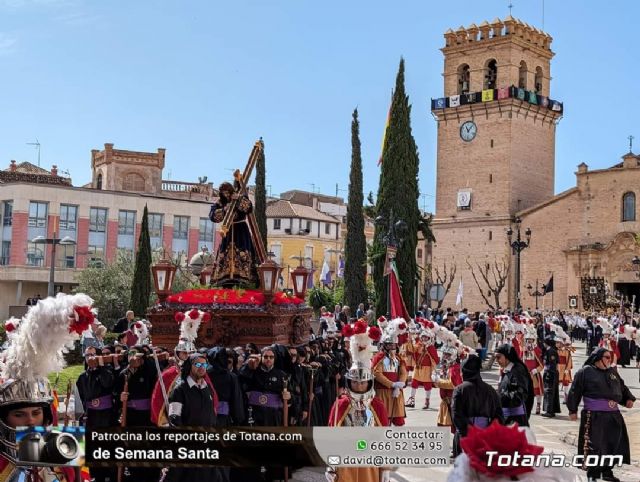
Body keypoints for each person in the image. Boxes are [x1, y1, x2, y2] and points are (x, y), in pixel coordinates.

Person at [326, 324, 391, 482]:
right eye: (355, 382)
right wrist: (331, 465)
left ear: (369, 383)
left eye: (363, 383)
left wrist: (385, 470)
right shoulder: (340, 404)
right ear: (349, 382)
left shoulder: (377, 404)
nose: (359, 386)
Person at [567, 347, 636, 482]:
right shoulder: (585, 372)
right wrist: (572, 410)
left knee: (613, 444)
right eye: (607, 357)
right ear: (598, 358)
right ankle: (592, 472)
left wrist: (627, 399)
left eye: (610, 357)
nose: (610, 359)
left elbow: (621, 387)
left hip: (613, 415)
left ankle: (607, 471)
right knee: (595, 445)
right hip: (594, 415)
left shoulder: (612, 372)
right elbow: (574, 390)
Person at [165, 353, 221, 482]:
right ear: (190, 366)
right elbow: (174, 419)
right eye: (198, 364)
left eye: (204, 364)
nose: (202, 367)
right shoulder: (179, 390)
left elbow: (211, 415)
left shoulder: (208, 389)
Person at [76, 345, 116, 482]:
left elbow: (107, 383)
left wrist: (101, 366)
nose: (90, 358)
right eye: (87, 355)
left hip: (106, 416)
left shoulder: (107, 371)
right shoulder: (82, 377)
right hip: (91, 416)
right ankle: (95, 476)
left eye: (93, 355)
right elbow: (81, 398)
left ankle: (109, 476)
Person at [451, 354, 503, 457]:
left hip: (466, 436)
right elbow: (499, 416)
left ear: (464, 372)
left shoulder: (460, 390)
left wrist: (469, 430)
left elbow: (456, 415)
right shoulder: (491, 390)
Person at [209, 181, 257, 287]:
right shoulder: (220, 203)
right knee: (225, 255)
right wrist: (225, 209)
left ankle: (244, 276)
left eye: (227, 192)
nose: (226, 195)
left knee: (243, 254)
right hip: (228, 230)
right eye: (223, 193)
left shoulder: (239, 196)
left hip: (241, 231)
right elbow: (212, 216)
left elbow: (249, 208)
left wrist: (239, 199)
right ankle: (225, 277)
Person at [372, 319, 408, 426]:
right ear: (384, 345)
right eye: (389, 345)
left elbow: (403, 372)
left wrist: (399, 385)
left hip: (396, 393)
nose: (392, 347)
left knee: (399, 421)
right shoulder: (379, 357)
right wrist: (391, 384)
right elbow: (376, 373)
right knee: (383, 420)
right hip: (383, 392)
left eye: (393, 345)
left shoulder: (399, 358)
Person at [495, 344, 533, 427]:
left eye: (498, 357)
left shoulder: (518, 371)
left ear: (507, 356)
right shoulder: (508, 370)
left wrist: (499, 397)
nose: (497, 360)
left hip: (516, 420)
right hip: (507, 418)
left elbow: (520, 395)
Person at [541, 337, 561, 418]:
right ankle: (551, 410)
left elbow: (552, 364)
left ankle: (549, 411)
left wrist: (548, 374)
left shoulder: (551, 351)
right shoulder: (548, 350)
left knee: (549, 391)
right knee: (550, 392)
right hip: (550, 373)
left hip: (550, 373)